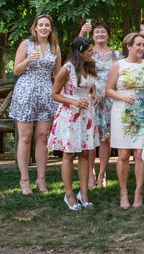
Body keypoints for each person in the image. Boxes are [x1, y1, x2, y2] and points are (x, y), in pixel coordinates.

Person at [106, 32, 144, 209]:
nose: (141, 48)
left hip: (143, 113)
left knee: (140, 155)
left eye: (143, 45)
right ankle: (123, 192)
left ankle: (138, 191)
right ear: (128, 46)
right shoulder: (118, 65)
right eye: (138, 45)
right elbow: (108, 90)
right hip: (122, 113)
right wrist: (122, 97)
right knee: (123, 155)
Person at [9, 14, 62, 195]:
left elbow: (58, 75)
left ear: (50, 28)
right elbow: (16, 70)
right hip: (26, 90)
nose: (44, 28)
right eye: (41, 25)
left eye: (47, 25)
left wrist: (62, 95)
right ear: (35, 28)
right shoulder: (26, 44)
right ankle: (24, 180)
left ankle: (41, 179)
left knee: (42, 136)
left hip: (46, 92)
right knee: (26, 136)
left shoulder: (55, 48)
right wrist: (28, 59)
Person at [48, 36, 98, 210]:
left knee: (85, 154)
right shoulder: (66, 69)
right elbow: (54, 94)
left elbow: (90, 85)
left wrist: (93, 93)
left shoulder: (90, 66)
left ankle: (83, 194)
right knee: (69, 155)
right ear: (80, 52)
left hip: (86, 115)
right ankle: (68, 194)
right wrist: (74, 101)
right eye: (90, 50)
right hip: (70, 115)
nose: (93, 53)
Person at [78, 21, 122, 188]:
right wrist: (82, 32)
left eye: (103, 32)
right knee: (91, 137)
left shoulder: (117, 54)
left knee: (106, 138)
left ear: (108, 35)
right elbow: (76, 51)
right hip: (92, 98)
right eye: (97, 32)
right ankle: (90, 173)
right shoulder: (88, 53)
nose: (100, 35)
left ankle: (102, 173)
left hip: (111, 100)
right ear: (93, 36)